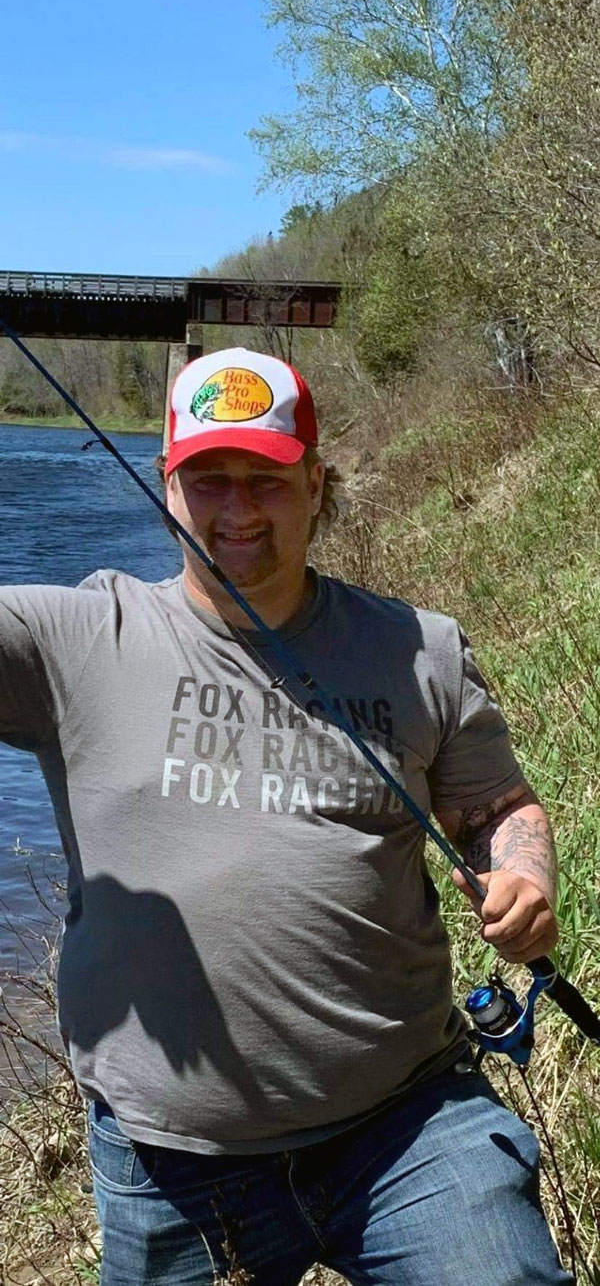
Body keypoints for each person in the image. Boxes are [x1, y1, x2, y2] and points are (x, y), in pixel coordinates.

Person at [0, 346, 571, 1286]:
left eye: (264, 480)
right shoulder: (76, 639)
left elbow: (498, 806)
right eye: (208, 480)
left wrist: (524, 875)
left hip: (406, 1125)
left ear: (314, 482)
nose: (236, 513)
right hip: (170, 1163)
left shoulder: (417, 650)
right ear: (167, 485)